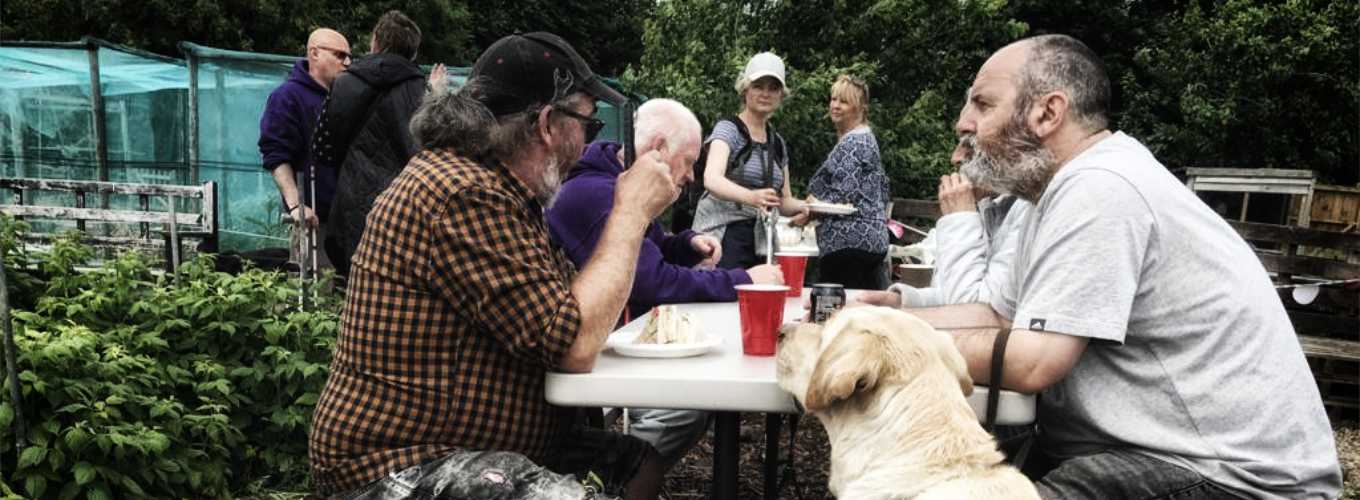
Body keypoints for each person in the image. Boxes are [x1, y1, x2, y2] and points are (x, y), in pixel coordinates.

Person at [857, 34, 1340, 499]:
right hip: (1147, 453)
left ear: (1048, 112)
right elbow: (998, 316)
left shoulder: (1101, 186)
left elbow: (1034, 360)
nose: (964, 122)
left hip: (1231, 474)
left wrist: (889, 341)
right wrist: (867, 319)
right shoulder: (1056, 191)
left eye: (982, 104)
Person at [307, 31, 679, 500]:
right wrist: (630, 212)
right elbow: (574, 344)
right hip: (397, 461)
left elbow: (564, 307)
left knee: (637, 462)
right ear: (547, 123)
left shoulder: (500, 191)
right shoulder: (463, 192)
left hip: (478, 448)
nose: (587, 142)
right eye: (588, 124)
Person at [545, 98, 784, 471]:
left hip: (608, 348)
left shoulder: (613, 181)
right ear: (658, 148)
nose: (690, 175)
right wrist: (742, 281)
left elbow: (652, 249)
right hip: (590, 361)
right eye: (688, 161)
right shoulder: (597, 193)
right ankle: (608, 481)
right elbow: (652, 282)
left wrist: (686, 245)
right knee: (682, 411)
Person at [310, 10, 446, 275]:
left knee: (351, 288)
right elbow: (437, 151)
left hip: (352, 206)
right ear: (414, 52)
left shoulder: (343, 84)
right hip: (407, 209)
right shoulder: (422, 91)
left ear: (375, 42)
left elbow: (321, 150)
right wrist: (436, 95)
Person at [692, 52, 810, 269]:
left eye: (773, 87)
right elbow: (712, 179)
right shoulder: (728, 129)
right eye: (758, 86)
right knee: (724, 301)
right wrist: (752, 197)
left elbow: (782, 201)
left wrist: (808, 207)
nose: (765, 93)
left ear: (781, 95)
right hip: (722, 234)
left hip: (761, 241)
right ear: (745, 89)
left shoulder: (778, 143)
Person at [887, 140, 1033, 307]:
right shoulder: (991, 206)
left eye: (970, 146)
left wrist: (960, 218)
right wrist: (899, 301)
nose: (955, 158)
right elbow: (955, 292)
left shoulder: (1029, 211)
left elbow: (974, 311)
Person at [259, 28, 349, 268]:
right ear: (315, 53)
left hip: (346, 221)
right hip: (314, 221)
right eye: (340, 55)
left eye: (350, 57)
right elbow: (275, 154)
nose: (347, 63)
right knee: (315, 294)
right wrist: (296, 204)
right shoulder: (287, 96)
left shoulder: (345, 97)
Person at [805, 74, 889, 289]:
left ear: (860, 107)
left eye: (844, 101)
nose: (835, 105)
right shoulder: (866, 138)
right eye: (833, 99)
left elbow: (845, 197)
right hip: (871, 241)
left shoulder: (854, 143)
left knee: (837, 310)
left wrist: (811, 206)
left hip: (849, 244)